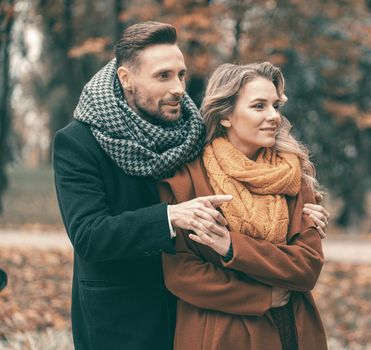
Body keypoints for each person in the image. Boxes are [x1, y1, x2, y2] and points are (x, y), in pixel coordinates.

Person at [53, 21, 329, 350]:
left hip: (196, 318)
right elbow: (88, 234)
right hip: (124, 314)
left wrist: (307, 217)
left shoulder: (191, 133)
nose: (179, 88)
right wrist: (169, 217)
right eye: (163, 76)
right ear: (126, 79)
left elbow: (245, 174)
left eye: (181, 74)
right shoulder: (79, 142)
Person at [160, 62, 327, 350]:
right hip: (219, 334)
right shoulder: (187, 178)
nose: (274, 116)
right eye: (259, 106)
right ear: (225, 115)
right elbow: (181, 273)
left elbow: (307, 267)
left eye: (276, 105)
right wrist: (261, 296)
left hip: (291, 329)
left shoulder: (294, 177)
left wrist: (232, 248)